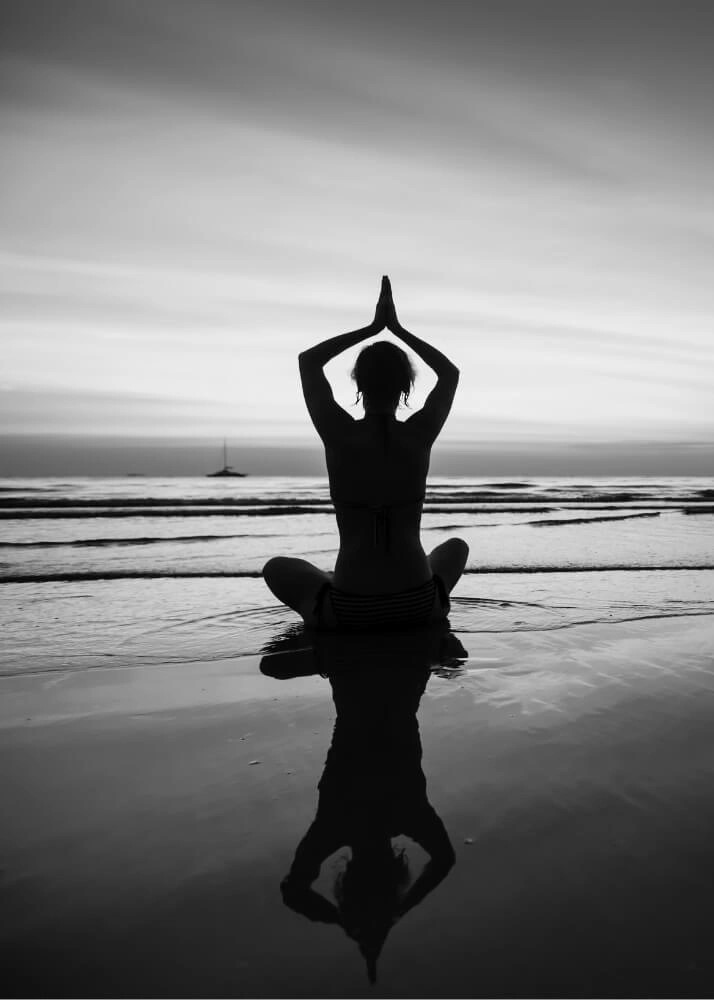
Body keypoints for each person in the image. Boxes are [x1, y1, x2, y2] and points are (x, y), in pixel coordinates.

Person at [262, 275, 469, 630]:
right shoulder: (419, 435)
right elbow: (449, 374)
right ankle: (427, 605)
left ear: (357, 383)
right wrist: (397, 330)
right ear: (406, 387)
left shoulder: (339, 434)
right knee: (456, 548)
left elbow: (309, 361)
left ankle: (330, 589)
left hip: (350, 609)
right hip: (419, 604)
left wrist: (373, 328)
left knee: (276, 568)